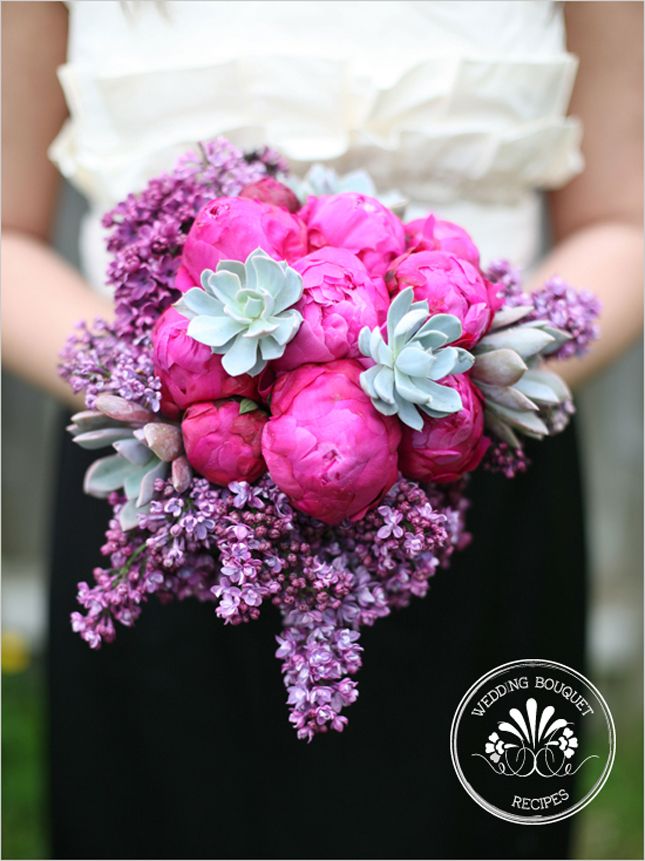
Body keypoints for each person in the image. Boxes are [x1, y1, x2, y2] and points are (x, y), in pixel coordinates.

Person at [2, 2, 642, 858]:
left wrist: (444, 400)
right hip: (167, 518)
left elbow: (623, 218)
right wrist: (181, 407)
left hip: (472, 494)